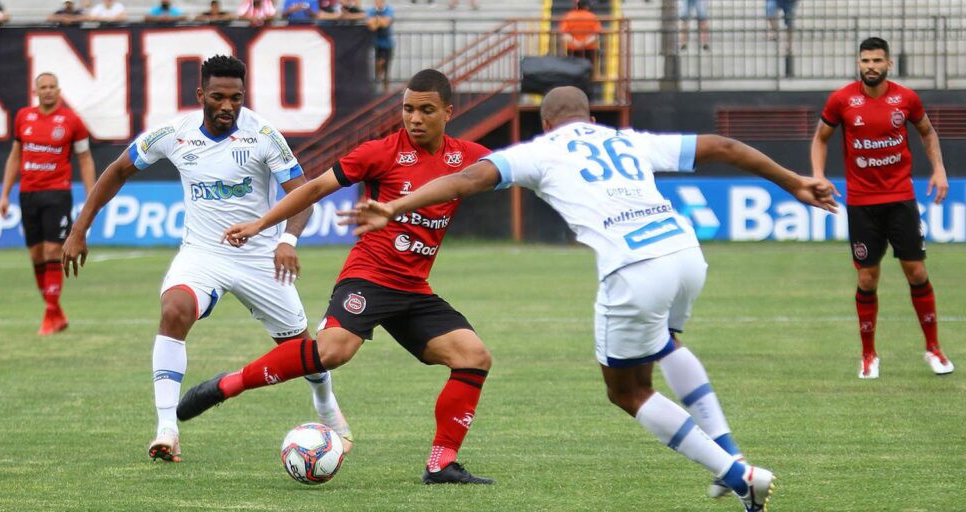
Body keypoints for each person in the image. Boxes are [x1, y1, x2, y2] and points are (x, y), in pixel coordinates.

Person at [342, 86, 840, 509]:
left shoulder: (540, 152)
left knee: (627, 391)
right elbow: (725, 146)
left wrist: (397, 205)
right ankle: (728, 455)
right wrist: (795, 182)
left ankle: (738, 475)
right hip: (685, 252)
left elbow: (468, 179)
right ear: (591, 117)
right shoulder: (625, 140)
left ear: (546, 121)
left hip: (634, 269)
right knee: (667, 341)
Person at [178, 69, 496, 485]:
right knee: (332, 353)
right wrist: (261, 225)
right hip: (368, 277)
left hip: (414, 288)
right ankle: (228, 385)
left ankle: (441, 464)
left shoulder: (468, 156)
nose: (414, 118)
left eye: (426, 110)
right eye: (407, 109)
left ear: (448, 112)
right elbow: (312, 190)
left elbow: (518, 167)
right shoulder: (380, 152)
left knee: (473, 358)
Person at [60, 55, 353, 463]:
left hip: (260, 258)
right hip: (202, 253)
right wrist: (80, 228)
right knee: (174, 309)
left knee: (301, 351)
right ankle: (166, 429)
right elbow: (118, 170)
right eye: (218, 97)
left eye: (235, 97)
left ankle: (325, 403)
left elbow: (302, 195)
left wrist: (288, 240)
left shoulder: (264, 135)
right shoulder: (174, 134)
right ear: (201, 94)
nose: (227, 106)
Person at [810, 37, 953, 379]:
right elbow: (820, 138)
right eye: (864, 60)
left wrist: (939, 169)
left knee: (916, 273)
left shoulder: (906, 99)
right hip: (861, 204)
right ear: (858, 64)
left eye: (876, 60)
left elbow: (928, 133)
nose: (870, 66)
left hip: (900, 199)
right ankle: (869, 355)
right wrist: (817, 176)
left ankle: (933, 349)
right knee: (867, 278)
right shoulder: (842, 100)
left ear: (889, 64)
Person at [0, 73, 95, 336]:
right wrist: (4, 194)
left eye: (52, 87)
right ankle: (55, 312)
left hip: (57, 193)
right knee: (36, 255)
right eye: (44, 87)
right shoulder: (23, 118)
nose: (48, 91)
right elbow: (15, 156)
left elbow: (84, 158)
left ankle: (50, 314)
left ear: (59, 90)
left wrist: (91, 195)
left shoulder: (72, 121)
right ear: (36, 91)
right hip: (28, 193)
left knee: (53, 250)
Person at [559, 0, 601, 74]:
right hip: (590, 48)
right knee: (589, 70)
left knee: (573, 70)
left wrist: (576, 43)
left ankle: (575, 84)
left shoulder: (568, 16)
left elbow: (564, 34)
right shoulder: (593, 17)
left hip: (572, 48)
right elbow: (596, 35)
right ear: (587, 6)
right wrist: (584, 43)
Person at [366, 0, 395, 90]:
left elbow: (385, 23)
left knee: (386, 67)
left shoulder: (389, 9)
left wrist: (376, 20)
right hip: (376, 43)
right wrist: (380, 21)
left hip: (387, 43)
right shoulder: (370, 10)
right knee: (378, 64)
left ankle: (385, 89)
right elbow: (371, 26)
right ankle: (377, 84)